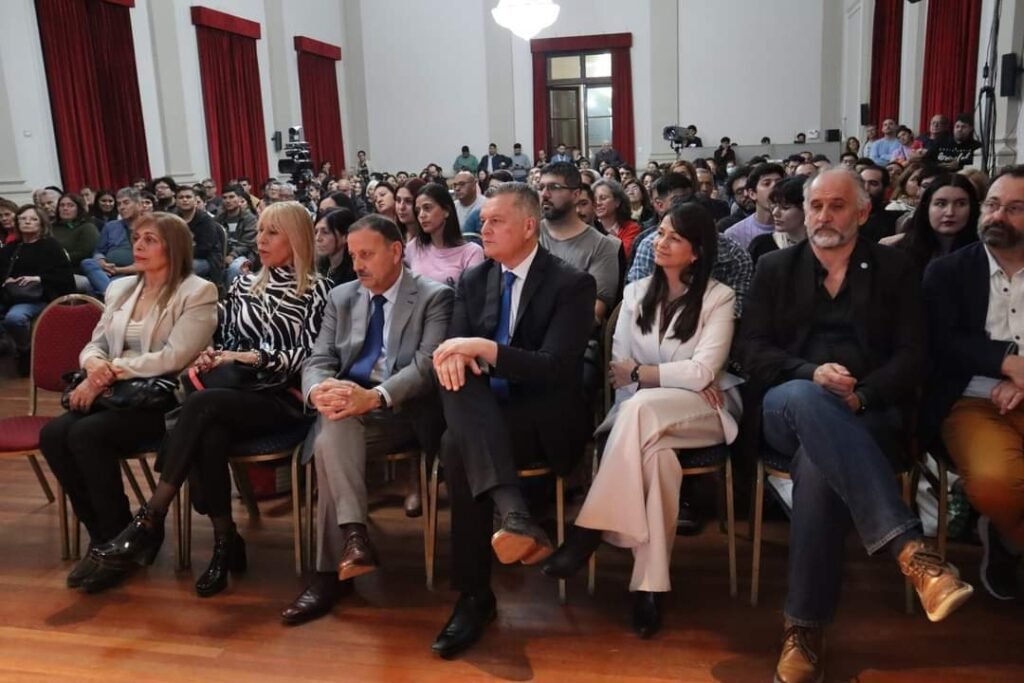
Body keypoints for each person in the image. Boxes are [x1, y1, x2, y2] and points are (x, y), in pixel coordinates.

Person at [737, 170, 973, 683]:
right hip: (786, 406)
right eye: (816, 205)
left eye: (837, 206)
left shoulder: (895, 269)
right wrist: (809, 372)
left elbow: (914, 356)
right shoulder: (775, 266)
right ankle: (910, 551)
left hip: (871, 413)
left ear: (863, 212)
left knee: (818, 467)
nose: (823, 216)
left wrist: (864, 395)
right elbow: (751, 350)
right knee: (806, 397)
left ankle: (802, 631)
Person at [88, 202, 332, 596]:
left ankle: (150, 517)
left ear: (298, 238)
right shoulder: (244, 283)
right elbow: (227, 341)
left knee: (202, 408)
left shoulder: (320, 289)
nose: (261, 239)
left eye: (273, 232)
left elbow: (311, 356)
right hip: (230, 394)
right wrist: (213, 354)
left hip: (281, 397)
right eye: (261, 231)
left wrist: (251, 357)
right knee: (211, 430)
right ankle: (223, 541)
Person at [541, 203, 740, 638]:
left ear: (696, 251)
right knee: (658, 460)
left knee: (642, 410)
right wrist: (668, 379)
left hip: (704, 411)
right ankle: (650, 587)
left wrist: (648, 375)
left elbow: (705, 373)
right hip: (643, 412)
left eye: (673, 237)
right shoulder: (634, 294)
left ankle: (589, 530)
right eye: (661, 232)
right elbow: (618, 369)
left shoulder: (719, 297)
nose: (659, 242)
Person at [429, 183, 596, 658]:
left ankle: (474, 595)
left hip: (542, 417)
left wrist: (488, 351)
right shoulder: (475, 279)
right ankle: (515, 518)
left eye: (495, 221)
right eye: (482, 221)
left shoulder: (571, 283)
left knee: (457, 446)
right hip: (486, 413)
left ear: (528, 225)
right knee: (451, 381)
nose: (483, 228)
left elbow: (557, 368)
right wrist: (461, 355)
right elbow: (454, 354)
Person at [282, 215, 454, 625]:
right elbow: (319, 359)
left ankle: (330, 573)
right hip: (345, 411)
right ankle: (354, 541)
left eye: (367, 254)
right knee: (334, 427)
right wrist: (318, 390)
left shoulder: (434, 296)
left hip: (401, 414)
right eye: (354, 254)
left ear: (395, 252)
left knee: (329, 440)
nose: (357, 264)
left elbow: (426, 367)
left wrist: (374, 396)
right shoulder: (342, 297)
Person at [39, 212, 218, 591]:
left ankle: (124, 539)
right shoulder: (120, 289)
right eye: (137, 237)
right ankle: (106, 539)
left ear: (174, 246)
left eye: (150, 239)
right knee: (54, 434)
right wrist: (94, 367)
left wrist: (110, 371)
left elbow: (175, 357)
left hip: (164, 403)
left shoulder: (197, 291)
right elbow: (95, 343)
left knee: (87, 434)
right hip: (116, 395)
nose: (138, 245)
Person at [921, 165, 1024, 601]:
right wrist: (1005, 362)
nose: (998, 216)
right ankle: (1010, 536)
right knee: (997, 481)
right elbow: (940, 342)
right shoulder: (948, 272)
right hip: (971, 398)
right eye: (994, 205)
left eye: (1016, 209)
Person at [538, 162, 621, 326]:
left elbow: (594, 313)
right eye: (541, 187)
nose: (545, 194)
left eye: (554, 187)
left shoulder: (602, 246)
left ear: (575, 194)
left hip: (571, 337)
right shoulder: (527, 234)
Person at [0, 205, 76, 373]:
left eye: (33, 219)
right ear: (17, 222)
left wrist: (38, 278)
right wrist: (7, 279)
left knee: (14, 318)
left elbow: (65, 276)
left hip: (38, 295)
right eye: (23, 218)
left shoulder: (50, 246)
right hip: (10, 295)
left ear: (41, 224)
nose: (28, 222)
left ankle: (25, 350)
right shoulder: (10, 248)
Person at [880, 174, 979, 274]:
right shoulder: (900, 252)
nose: (950, 212)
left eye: (961, 204)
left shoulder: (985, 253)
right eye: (941, 203)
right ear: (926, 207)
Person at [406, 183, 484, 288]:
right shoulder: (414, 246)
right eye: (418, 211)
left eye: (427, 208)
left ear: (446, 211)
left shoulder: (471, 252)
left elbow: (473, 297)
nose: (421, 215)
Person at [81, 188, 143, 295]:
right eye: (119, 204)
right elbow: (99, 251)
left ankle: (109, 294)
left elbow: (146, 263)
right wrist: (101, 261)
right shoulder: (111, 226)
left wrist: (118, 270)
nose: (122, 207)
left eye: (126, 203)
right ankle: (111, 293)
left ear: (139, 205)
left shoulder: (151, 226)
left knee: (94, 287)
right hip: (107, 272)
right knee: (87, 263)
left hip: (133, 273)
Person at [723, 163, 785, 249]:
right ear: (752, 193)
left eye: (779, 183)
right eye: (767, 184)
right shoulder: (734, 234)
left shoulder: (796, 225)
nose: (774, 187)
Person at [748, 175, 807, 265]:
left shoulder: (822, 245)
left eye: (785, 207)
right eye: (774, 206)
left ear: (805, 208)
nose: (775, 213)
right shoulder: (761, 245)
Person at [174, 186, 223, 283]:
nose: (184, 200)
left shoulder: (205, 220)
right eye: (181, 197)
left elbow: (205, 248)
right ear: (176, 201)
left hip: (207, 260)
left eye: (188, 197)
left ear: (195, 201)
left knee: (179, 271)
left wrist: (181, 256)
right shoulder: (173, 219)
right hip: (180, 258)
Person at [218, 184, 258, 285]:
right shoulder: (219, 219)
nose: (228, 201)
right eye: (224, 198)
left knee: (235, 268)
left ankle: (230, 297)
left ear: (239, 199)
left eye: (231, 197)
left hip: (246, 255)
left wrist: (232, 255)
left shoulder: (250, 219)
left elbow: (247, 244)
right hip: (223, 255)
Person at [593, 179, 642, 258]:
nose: (598, 203)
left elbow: (621, 255)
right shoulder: (589, 227)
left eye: (603, 198)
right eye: (594, 199)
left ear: (617, 202)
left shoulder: (632, 228)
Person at [52, 193, 99, 268]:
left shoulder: (88, 227)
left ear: (79, 209)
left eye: (70, 205)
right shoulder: (52, 227)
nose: (65, 208)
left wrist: (61, 258)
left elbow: (86, 253)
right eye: (62, 205)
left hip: (78, 268)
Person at [314, 207, 357, 287]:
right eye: (316, 232)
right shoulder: (320, 269)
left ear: (345, 236)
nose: (318, 238)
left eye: (325, 232)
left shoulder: (355, 274)